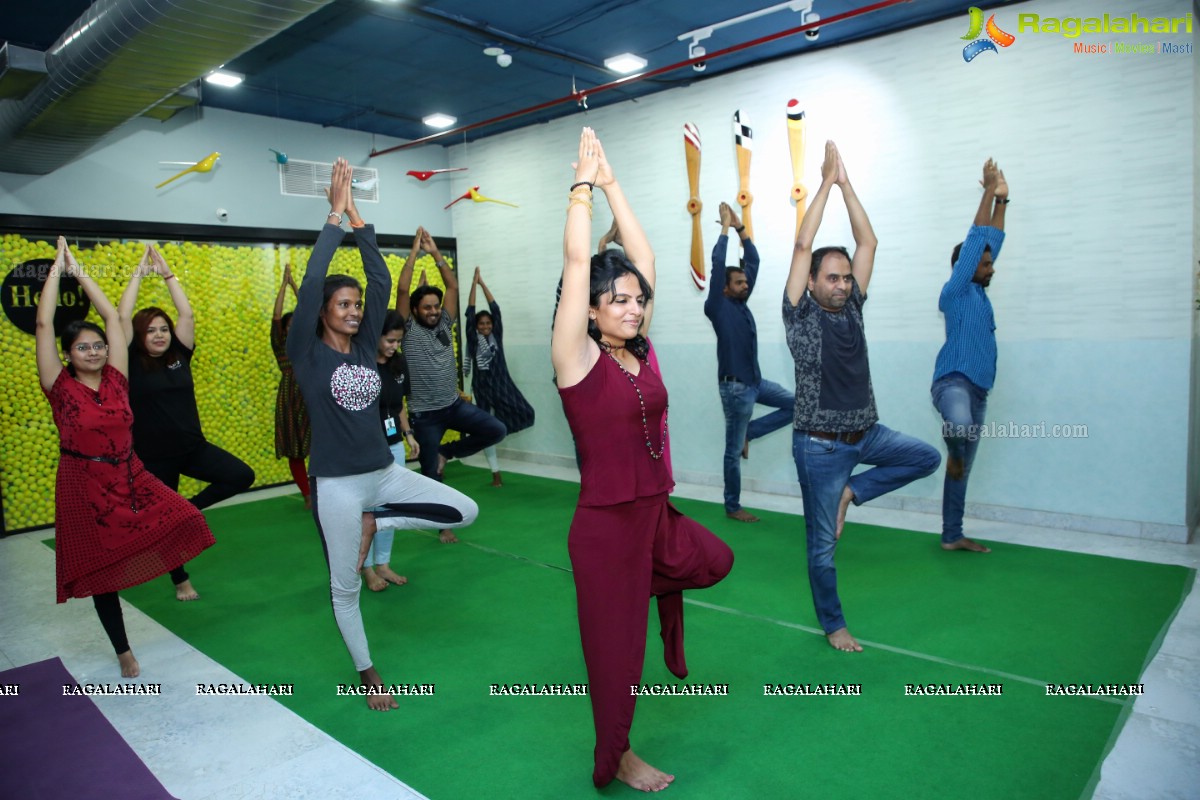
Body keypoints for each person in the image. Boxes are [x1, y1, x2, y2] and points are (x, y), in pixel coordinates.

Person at [553, 127, 734, 792]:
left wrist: (614, 184)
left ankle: (654, 586)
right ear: (592, 312)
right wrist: (580, 187)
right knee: (616, 658)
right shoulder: (576, 360)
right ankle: (618, 757)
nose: (632, 307)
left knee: (715, 559)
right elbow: (578, 265)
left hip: (655, 516)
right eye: (618, 300)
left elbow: (648, 258)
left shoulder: (644, 351)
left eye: (638, 299)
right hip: (605, 529)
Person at [287, 158, 478, 711]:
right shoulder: (306, 350)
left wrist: (357, 217)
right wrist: (331, 218)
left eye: (354, 306)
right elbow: (310, 290)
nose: (352, 311)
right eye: (341, 305)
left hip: (385, 473)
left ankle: (382, 520)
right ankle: (369, 673)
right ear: (322, 312)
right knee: (344, 585)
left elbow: (377, 278)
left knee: (464, 510)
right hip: (338, 486)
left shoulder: (370, 340)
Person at [784, 141, 941, 653]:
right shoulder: (801, 315)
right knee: (823, 548)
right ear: (811, 283)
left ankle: (854, 492)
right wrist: (825, 182)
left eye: (846, 278)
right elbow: (802, 247)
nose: (842, 285)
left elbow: (868, 240)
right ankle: (834, 625)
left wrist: (848, 182)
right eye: (832, 278)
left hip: (868, 434)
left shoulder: (853, 308)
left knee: (926, 457)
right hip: (820, 447)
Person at [36, 237, 215, 677]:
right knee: (101, 571)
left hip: (131, 474)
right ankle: (123, 650)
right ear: (68, 355)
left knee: (185, 519)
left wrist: (81, 273)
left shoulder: (117, 378)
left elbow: (116, 319)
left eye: (98, 345)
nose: (94, 351)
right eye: (83, 347)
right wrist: (58, 273)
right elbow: (43, 325)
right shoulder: (60, 388)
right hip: (82, 483)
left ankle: (177, 575)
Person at [118, 243, 256, 600]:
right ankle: (180, 579)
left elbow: (187, 315)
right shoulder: (129, 360)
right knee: (162, 522)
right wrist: (138, 274)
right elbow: (120, 317)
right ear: (139, 335)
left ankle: (187, 511)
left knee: (241, 475)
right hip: (153, 457)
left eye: (163, 328)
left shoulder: (180, 354)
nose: (160, 335)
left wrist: (168, 275)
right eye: (151, 330)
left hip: (192, 448)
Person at [396, 227, 506, 543]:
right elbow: (403, 292)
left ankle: (448, 451)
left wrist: (435, 253)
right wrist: (414, 252)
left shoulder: (445, 322)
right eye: (426, 307)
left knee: (495, 430)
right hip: (425, 414)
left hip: (454, 405)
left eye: (435, 305)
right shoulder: (406, 329)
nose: (432, 311)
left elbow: (453, 285)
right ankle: (443, 525)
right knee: (431, 474)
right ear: (416, 310)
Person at [931, 161, 1008, 554]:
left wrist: (1003, 198)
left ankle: (951, 535)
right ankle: (955, 451)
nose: (992, 267)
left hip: (980, 390)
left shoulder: (980, 295)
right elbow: (977, 239)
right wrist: (986, 192)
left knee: (962, 471)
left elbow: (993, 237)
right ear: (965, 268)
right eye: (986, 262)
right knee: (958, 427)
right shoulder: (956, 291)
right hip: (953, 382)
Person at [705, 201, 794, 522]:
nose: (746, 285)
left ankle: (750, 433)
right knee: (731, 452)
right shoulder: (718, 305)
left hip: (756, 383)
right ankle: (733, 506)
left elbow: (753, 259)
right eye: (740, 282)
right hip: (736, 389)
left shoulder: (741, 303)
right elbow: (717, 264)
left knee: (796, 406)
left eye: (746, 282)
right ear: (726, 289)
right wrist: (725, 229)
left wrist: (742, 228)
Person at [361, 310, 419, 592]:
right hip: (365, 448)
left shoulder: (399, 363)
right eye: (390, 340)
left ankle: (383, 563)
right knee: (367, 509)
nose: (395, 346)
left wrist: (408, 435)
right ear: (376, 336)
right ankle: (367, 568)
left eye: (398, 341)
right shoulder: (361, 365)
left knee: (389, 508)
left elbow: (398, 406)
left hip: (393, 443)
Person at [466, 266, 535, 487]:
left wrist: (483, 283)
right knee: (487, 428)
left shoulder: (497, 337)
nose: (485, 326)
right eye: (481, 324)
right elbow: (469, 311)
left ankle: (499, 430)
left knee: (527, 413)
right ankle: (495, 472)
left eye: (488, 323)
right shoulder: (474, 339)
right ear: (476, 327)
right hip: (482, 388)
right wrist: (473, 286)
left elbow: (496, 309)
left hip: (502, 384)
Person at [272, 263, 312, 508]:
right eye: (290, 325)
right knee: (294, 450)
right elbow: (276, 317)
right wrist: (283, 286)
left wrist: (296, 286)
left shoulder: (311, 343)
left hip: (312, 396)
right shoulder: (281, 346)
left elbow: (308, 312)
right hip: (289, 399)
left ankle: (320, 490)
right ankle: (307, 494)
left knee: (320, 446)